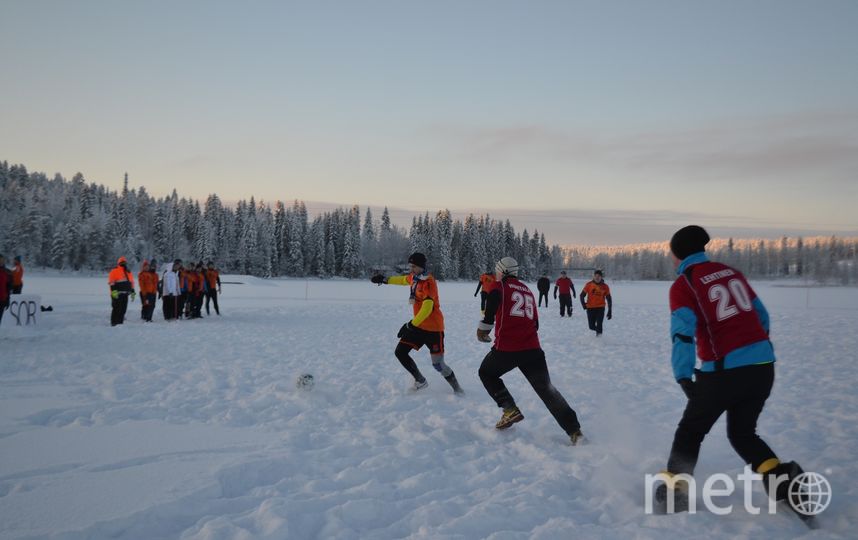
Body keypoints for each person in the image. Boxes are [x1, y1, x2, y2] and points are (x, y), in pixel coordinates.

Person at [655, 225, 805, 513]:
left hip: (725, 371)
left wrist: (683, 375)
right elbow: (761, 315)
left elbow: (683, 334)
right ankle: (781, 479)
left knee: (690, 431)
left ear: (678, 254)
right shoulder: (730, 272)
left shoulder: (684, 284)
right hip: (763, 367)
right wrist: (756, 349)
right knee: (742, 433)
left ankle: (676, 490)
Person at [476, 257, 584, 445]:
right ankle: (575, 431)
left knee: (486, 373)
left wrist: (483, 330)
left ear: (503, 271)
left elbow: (491, 306)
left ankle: (509, 409)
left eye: (497, 271)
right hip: (533, 349)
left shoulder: (499, 286)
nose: (496, 274)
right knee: (548, 391)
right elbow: (536, 323)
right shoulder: (527, 290)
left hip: (507, 348)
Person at [371, 252, 463, 393]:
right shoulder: (414, 278)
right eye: (410, 266)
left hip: (433, 329)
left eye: (414, 266)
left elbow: (427, 308)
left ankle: (457, 389)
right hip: (418, 326)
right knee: (400, 352)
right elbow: (402, 280)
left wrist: (410, 325)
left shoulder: (429, 282)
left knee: (438, 365)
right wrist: (385, 280)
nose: (411, 268)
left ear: (421, 267)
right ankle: (420, 380)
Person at [580, 270, 612, 336]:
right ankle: (599, 331)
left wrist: (610, 310)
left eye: (599, 276)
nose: (597, 277)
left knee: (599, 324)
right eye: (596, 276)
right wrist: (583, 305)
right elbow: (582, 295)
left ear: (601, 277)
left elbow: (609, 298)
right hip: (590, 308)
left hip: (600, 308)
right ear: (594, 276)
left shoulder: (605, 286)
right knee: (591, 327)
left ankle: (599, 339)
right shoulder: (589, 285)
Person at [108, 256, 136, 326]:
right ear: (119, 263)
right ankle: (114, 322)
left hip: (125, 294)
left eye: (124, 262)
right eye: (122, 262)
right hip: (117, 293)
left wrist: (132, 292)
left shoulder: (128, 272)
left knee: (123, 309)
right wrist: (113, 292)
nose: (123, 264)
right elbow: (111, 282)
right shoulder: (114, 271)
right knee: (116, 309)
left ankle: (120, 323)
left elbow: (131, 282)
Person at [0, 255, 12, 328]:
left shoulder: (7, 272)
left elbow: (8, 287)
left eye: (2, 260)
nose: (1, 261)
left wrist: (8, 300)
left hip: (2, 300)